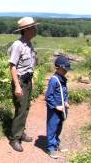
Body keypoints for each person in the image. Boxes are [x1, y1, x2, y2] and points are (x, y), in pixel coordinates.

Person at [7, 17, 38, 152]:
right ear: (26, 30)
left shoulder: (29, 43)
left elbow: (29, 65)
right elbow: (12, 66)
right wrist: (17, 86)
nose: (36, 29)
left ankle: (21, 132)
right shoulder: (18, 45)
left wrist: (32, 79)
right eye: (33, 27)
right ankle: (14, 138)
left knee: (25, 108)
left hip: (27, 80)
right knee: (20, 110)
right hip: (20, 82)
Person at [45, 55, 71, 159]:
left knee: (59, 126)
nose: (66, 71)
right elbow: (48, 96)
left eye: (67, 70)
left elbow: (65, 93)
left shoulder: (63, 79)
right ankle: (51, 148)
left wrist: (66, 101)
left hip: (62, 108)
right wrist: (56, 106)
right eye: (64, 69)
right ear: (58, 68)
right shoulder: (54, 80)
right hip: (54, 109)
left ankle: (56, 143)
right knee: (52, 127)